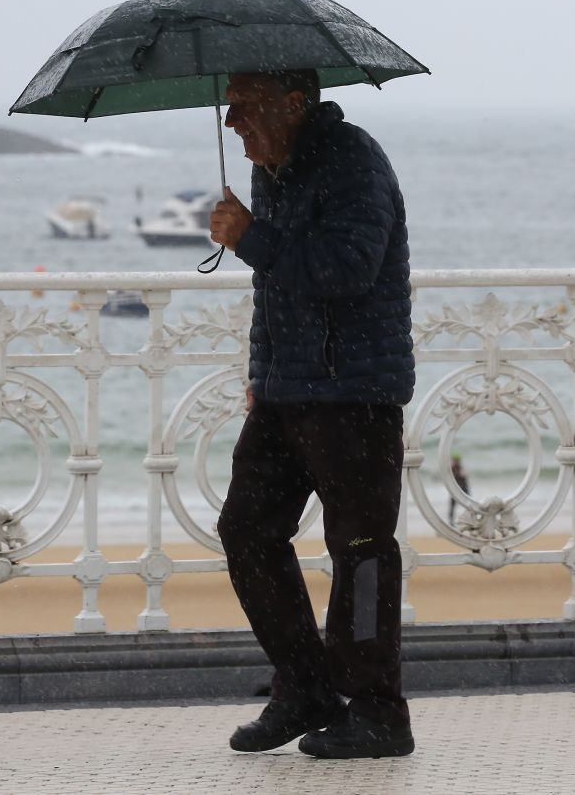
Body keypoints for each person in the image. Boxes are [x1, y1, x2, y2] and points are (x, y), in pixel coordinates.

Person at [208, 70, 416, 760]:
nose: (233, 121)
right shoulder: (276, 168)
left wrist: (249, 239)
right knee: (246, 530)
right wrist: (259, 374)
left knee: (359, 554)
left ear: (294, 104)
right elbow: (277, 291)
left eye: (245, 106)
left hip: (354, 393)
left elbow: (348, 268)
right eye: (229, 107)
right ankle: (304, 689)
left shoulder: (353, 159)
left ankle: (379, 712)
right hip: (285, 392)